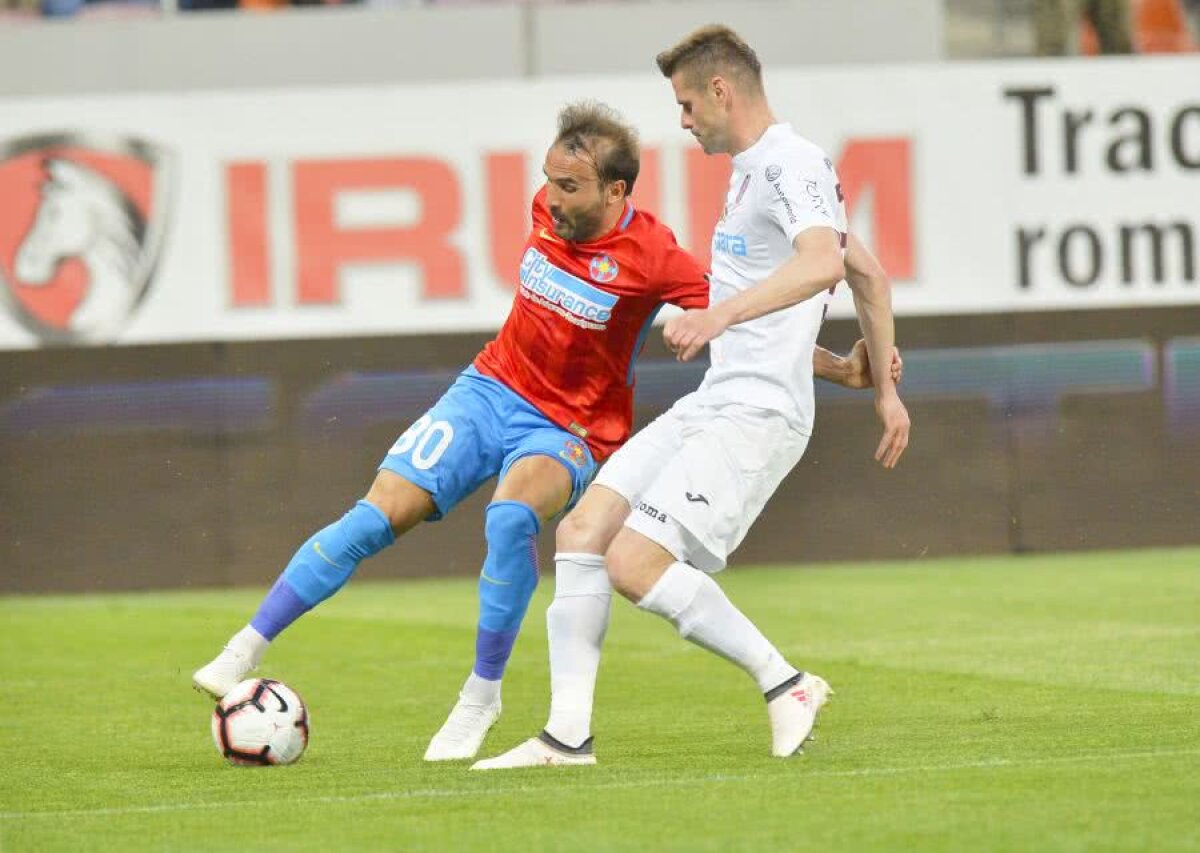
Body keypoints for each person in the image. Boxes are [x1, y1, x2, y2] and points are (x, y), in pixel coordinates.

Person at [192, 99, 882, 763]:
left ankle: (480, 696)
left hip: (572, 423)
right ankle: (243, 649)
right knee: (375, 516)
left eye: (570, 186)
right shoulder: (547, 208)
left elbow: (744, 325)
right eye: (547, 180)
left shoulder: (654, 256)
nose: (550, 198)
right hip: (488, 388)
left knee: (509, 516)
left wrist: (832, 366)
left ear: (616, 191)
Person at [474, 25, 910, 770]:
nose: (680, 120)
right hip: (719, 397)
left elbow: (821, 263)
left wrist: (718, 314)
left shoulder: (792, 162)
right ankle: (566, 737)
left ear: (720, 90)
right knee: (582, 531)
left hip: (759, 415)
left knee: (634, 561)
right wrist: (871, 383)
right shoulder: (751, 172)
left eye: (684, 103)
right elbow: (863, 273)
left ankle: (787, 682)